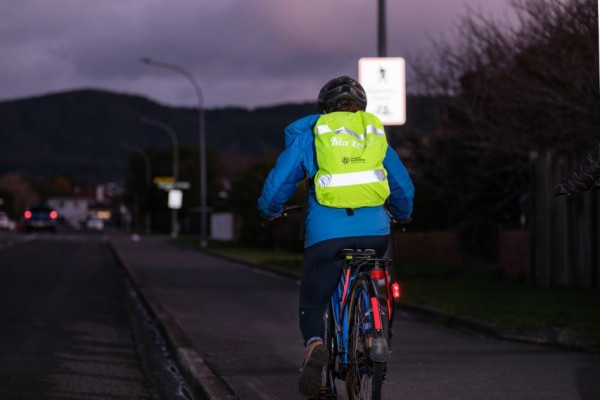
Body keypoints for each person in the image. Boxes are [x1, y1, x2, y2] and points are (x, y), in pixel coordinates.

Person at [257, 76, 414, 397]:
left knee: (313, 301)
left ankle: (315, 345)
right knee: (375, 271)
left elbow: (278, 184)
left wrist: (269, 209)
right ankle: (372, 332)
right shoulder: (373, 136)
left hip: (327, 235)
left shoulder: (313, 136)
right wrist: (403, 213)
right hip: (375, 233)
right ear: (361, 108)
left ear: (323, 109)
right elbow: (402, 186)